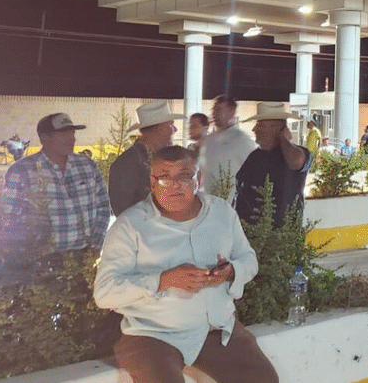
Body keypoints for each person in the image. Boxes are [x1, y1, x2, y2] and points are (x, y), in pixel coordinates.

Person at [93, 146, 277, 383]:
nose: (174, 185)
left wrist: (232, 272)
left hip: (217, 330)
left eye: (183, 175)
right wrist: (163, 280)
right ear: (152, 181)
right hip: (152, 334)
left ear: (198, 179)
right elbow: (105, 293)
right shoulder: (130, 225)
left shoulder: (221, 212)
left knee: (264, 379)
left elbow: (248, 259)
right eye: (164, 177)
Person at [0, 113, 111, 265]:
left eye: (72, 133)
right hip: (39, 264)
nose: (71, 138)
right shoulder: (22, 171)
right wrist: (24, 258)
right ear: (44, 138)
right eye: (63, 133)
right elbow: (7, 220)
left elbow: (103, 208)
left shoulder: (87, 166)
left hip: (82, 258)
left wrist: (95, 247)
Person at [234, 102, 311, 228]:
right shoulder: (255, 156)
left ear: (275, 128)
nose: (254, 129)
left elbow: (296, 162)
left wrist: (284, 139)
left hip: (281, 239)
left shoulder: (299, 154)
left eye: (260, 125)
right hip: (251, 235)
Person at [109, 101, 183, 215]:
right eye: (171, 125)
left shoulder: (165, 159)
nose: (175, 129)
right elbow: (123, 212)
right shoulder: (127, 163)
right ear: (160, 129)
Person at [200, 95, 258, 203]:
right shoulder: (208, 140)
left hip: (232, 202)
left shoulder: (242, 141)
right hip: (208, 201)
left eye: (219, 110)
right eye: (214, 110)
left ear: (232, 112)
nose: (214, 114)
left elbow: (253, 173)